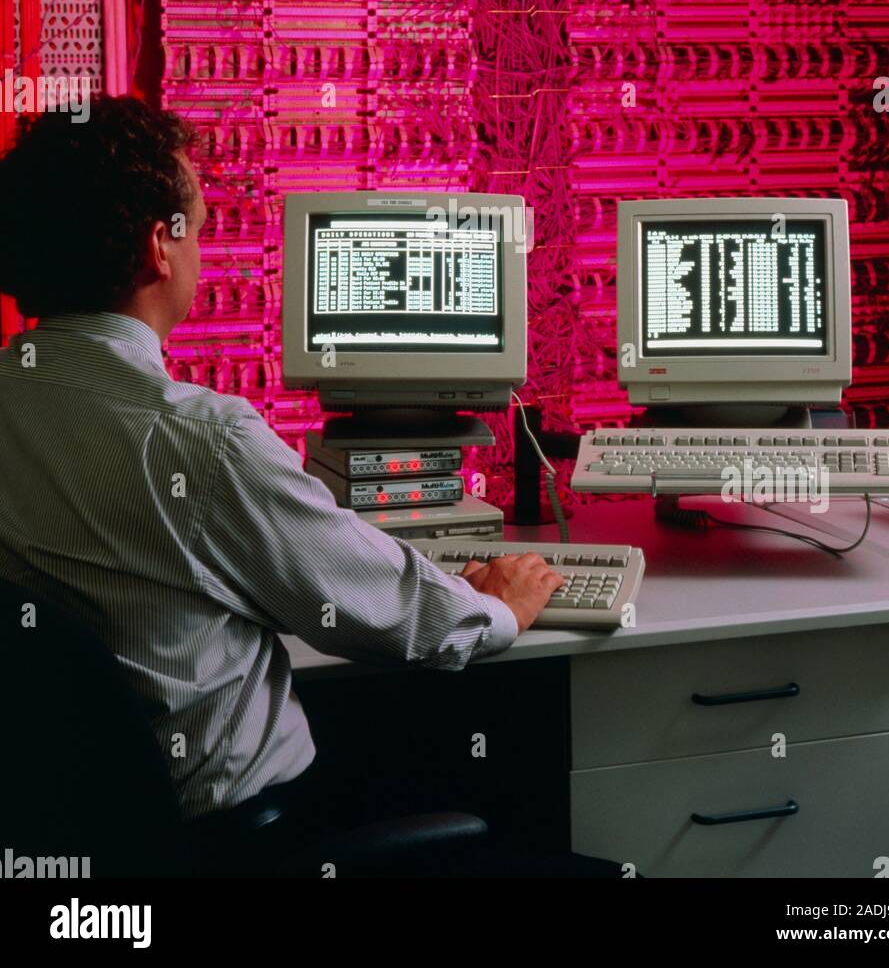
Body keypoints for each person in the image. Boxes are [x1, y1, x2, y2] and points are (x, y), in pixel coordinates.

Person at [0, 97, 622, 878]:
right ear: (160, 245)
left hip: (87, 839)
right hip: (244, 842)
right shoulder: (199, 435)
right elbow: (394, 612)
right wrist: (501, 603)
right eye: (199, 220)